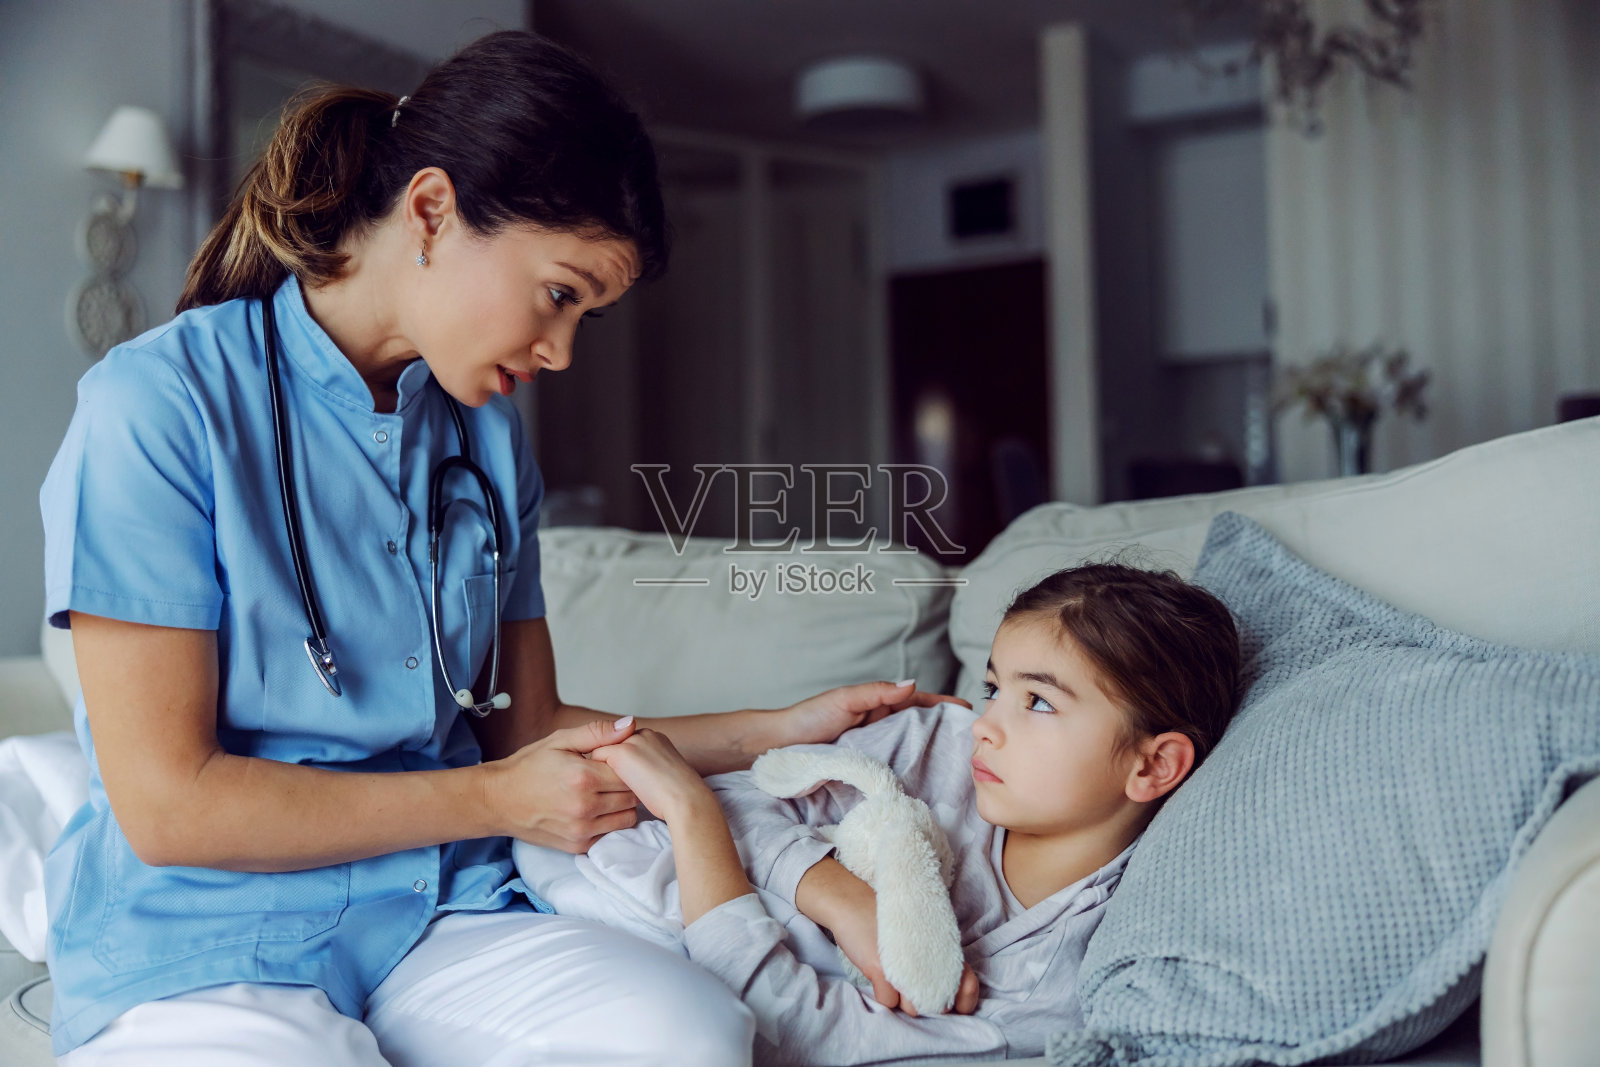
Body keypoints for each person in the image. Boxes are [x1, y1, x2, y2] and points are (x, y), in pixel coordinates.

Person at [39, 30, 957, 1067]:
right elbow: (170, 805)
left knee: (690, 1037)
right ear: (431, 210)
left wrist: (782, 724)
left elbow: (525, 724)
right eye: (559, 294)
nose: (559, 352)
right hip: (206, 935)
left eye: (586, 316)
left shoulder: (482, 439)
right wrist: (488, 796)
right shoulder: (156, 406)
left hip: (436, 910)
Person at [517, 563, 1243, 1065]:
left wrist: (692, 813)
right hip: (556, 875)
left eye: (1040, 701)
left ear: (1152, 765)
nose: (987, 721)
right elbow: (748, 788)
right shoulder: (942, 747)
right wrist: (836, 892)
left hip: (651, 987)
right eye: (995, 687)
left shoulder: (1054, 979)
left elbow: (803, 1039)